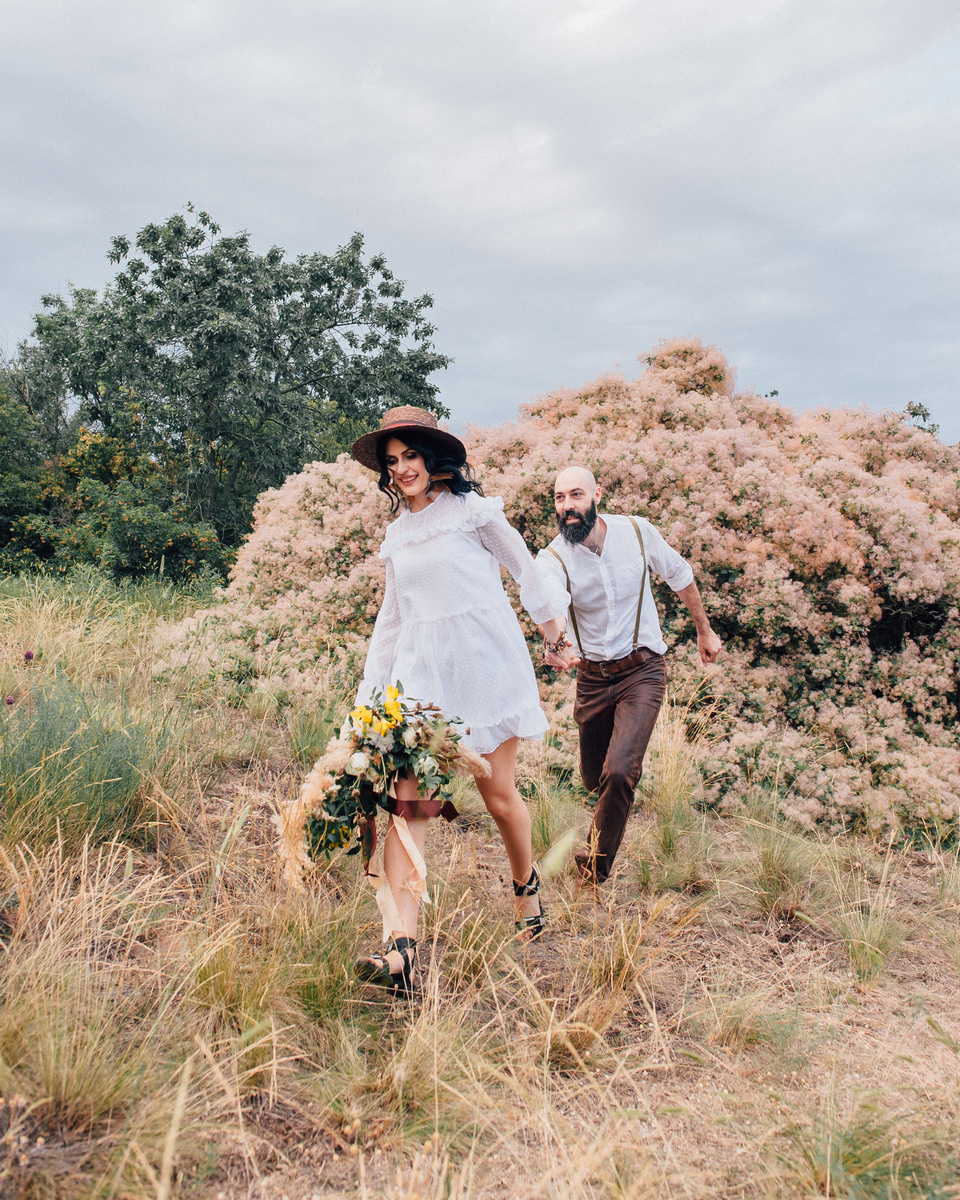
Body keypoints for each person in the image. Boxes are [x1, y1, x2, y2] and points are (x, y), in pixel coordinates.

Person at [349, 406, 570, 992]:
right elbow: (391, 621)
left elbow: (526, 571)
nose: (401, 470)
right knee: (408, 806)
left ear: (433, 457)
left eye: (410, 457)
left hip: (484, 670)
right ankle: (401, 953)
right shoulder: (397, 536)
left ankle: (527, 894)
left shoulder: (475, 514)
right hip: (423, 683)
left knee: (497, 797)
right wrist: (371, 699)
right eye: (391, 462)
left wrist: (556, 639)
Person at [537, 466, 722, 892]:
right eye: (560, 498)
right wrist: (555, 641)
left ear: (597, 494)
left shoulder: (638, 532)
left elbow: (680, 575)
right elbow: (551, 602)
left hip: (643, 669)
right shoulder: (553, 557)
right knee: (594, 777)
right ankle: (604, 803)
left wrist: (704, 630)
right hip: (592, 678)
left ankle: (593, 871)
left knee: (620, 772)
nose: (567, 506)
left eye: (576, 495)